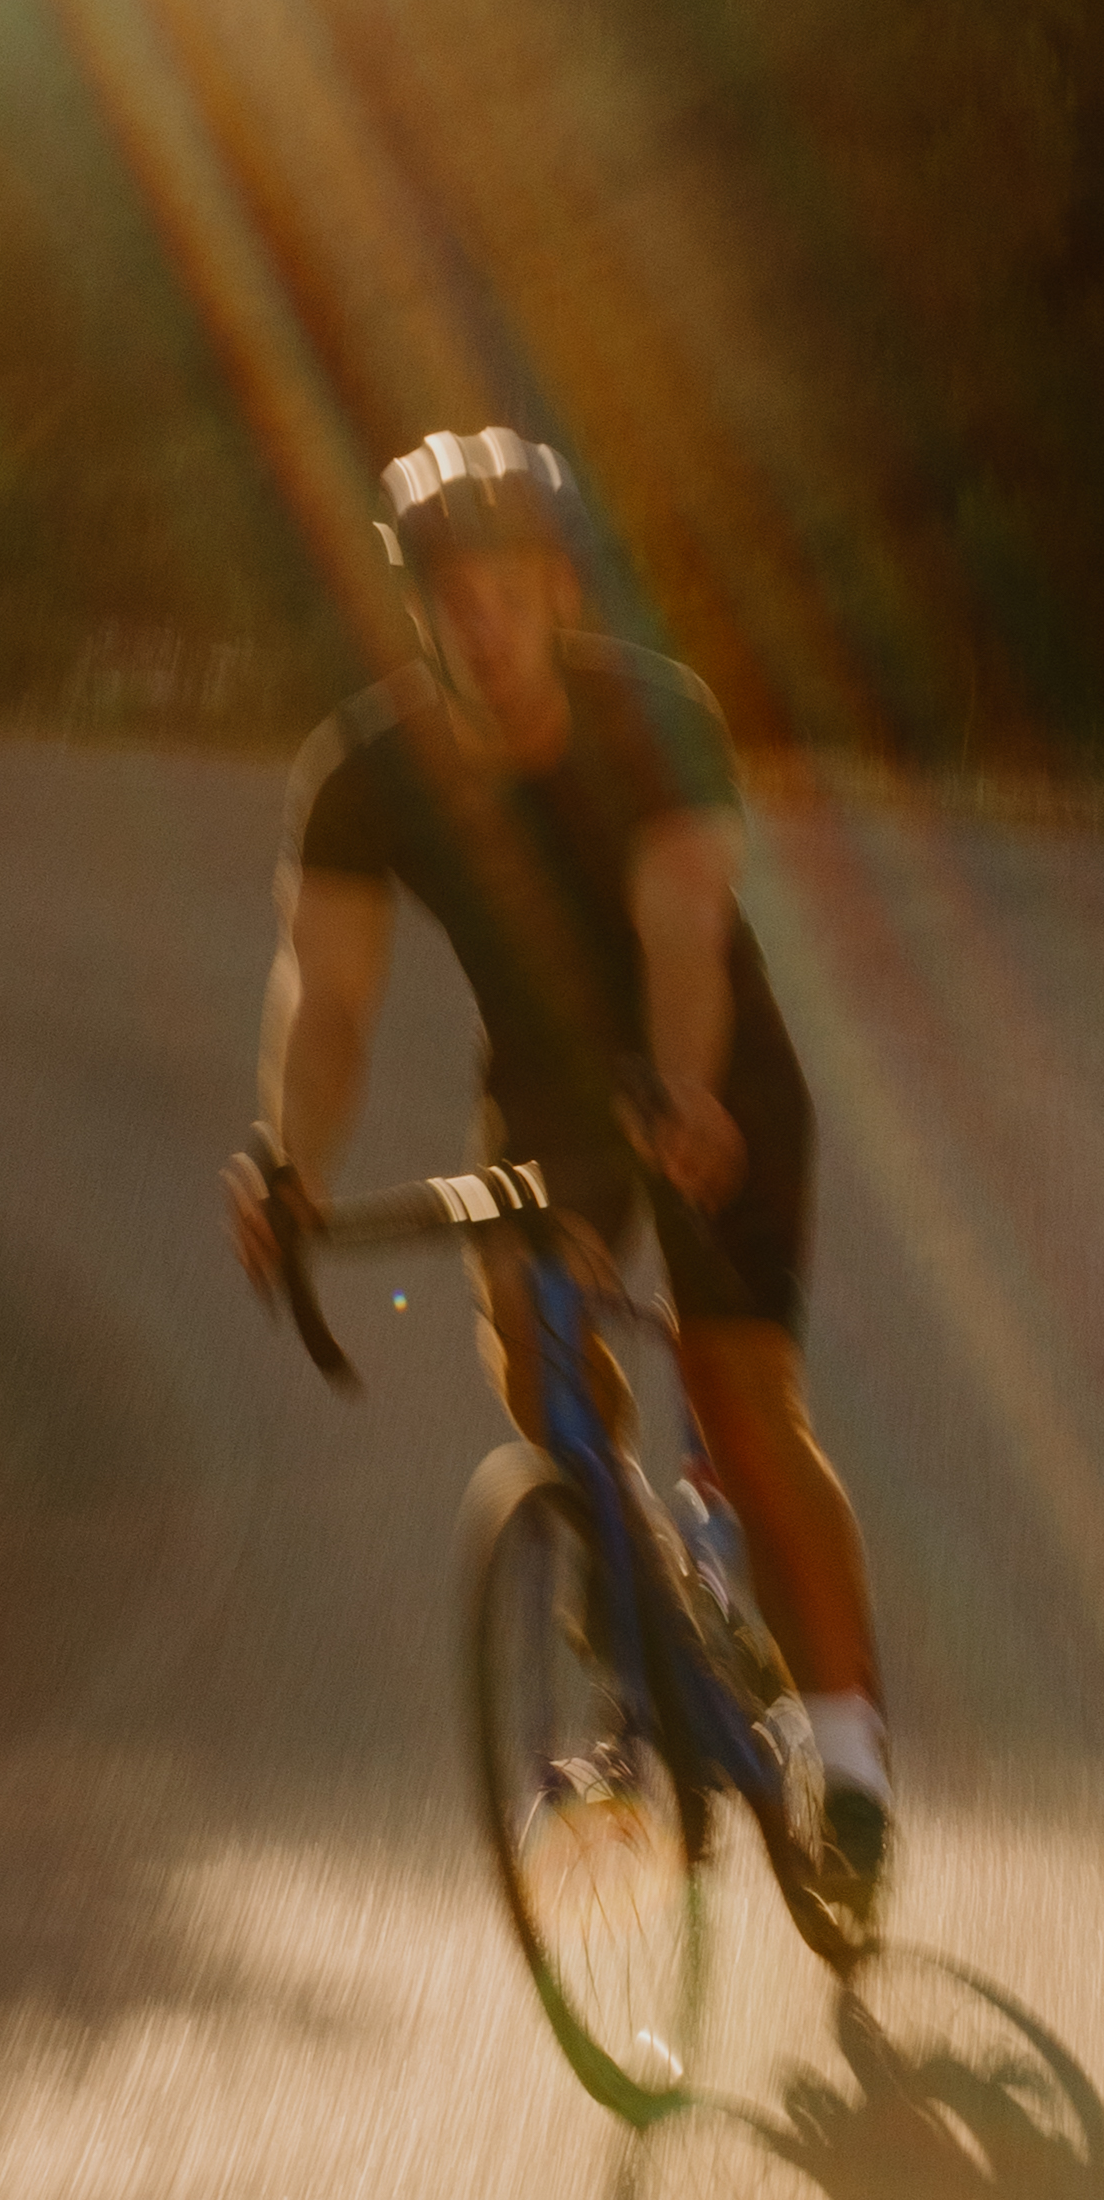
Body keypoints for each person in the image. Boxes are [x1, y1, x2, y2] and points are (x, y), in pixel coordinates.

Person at [224, 424, 894, 1915]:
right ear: (419, 606)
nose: (485, 619)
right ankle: (639, 1611)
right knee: (538, 1356)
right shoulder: (364, 771)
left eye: (511, 587)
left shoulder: (658, 717)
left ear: (556, 593)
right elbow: (325, 1001)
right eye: (452, 592)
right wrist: (286, 1162)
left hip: (718, 1071)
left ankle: (851, 1765)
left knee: (738, 1397)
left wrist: (684, 1092)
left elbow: (680, 921)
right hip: (544, 1096)